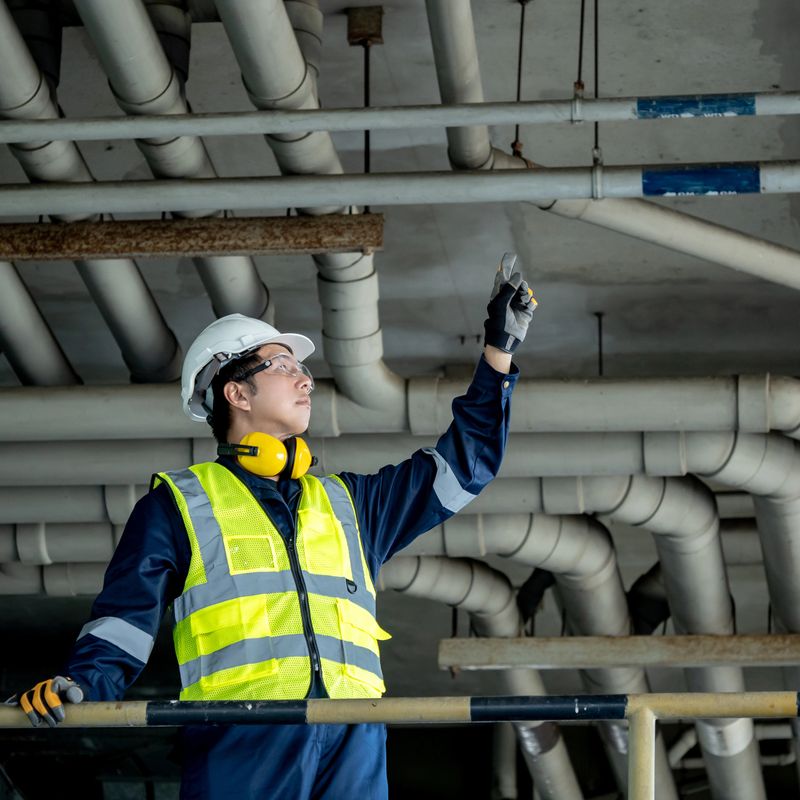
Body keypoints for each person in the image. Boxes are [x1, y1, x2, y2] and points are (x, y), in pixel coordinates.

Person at [16, 257, 536, 799]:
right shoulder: (179, 505)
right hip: (242, 732)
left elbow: (465, 465)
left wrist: (498, 353)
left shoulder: (349, 504)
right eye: (282, 366)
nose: (305, 378)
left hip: (355, 730)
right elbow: (125, 622)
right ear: (236, 394)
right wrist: (80, 686)